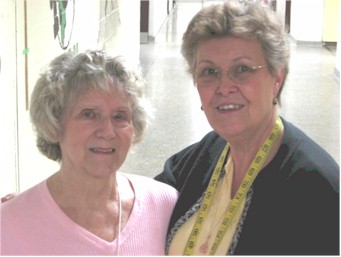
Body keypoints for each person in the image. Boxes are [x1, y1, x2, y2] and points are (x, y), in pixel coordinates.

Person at [155, 1, 339, 255]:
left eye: (242, 69)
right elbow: (141, 203)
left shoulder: (314, 187)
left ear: (277, 78)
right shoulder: (208, 151)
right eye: (209, 71)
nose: (224, 86)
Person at [1, 50, 178, 255]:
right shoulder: (9, 224)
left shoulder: (165, 204)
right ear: (56, 124)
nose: (107, 131)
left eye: (120, 116)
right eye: (89, 114)